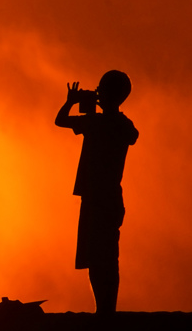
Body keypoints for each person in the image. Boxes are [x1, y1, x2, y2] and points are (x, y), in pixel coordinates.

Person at [54, 70, 139, 315]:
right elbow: (132, 135)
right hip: (107, 196)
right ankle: (104, 310)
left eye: (101, 89)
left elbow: (61, 120)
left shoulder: (102, 123)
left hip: (98, 197)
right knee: (103, 255)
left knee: (101, 256)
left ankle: (105, 311)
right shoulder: (114, 123)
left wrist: (71, 102)